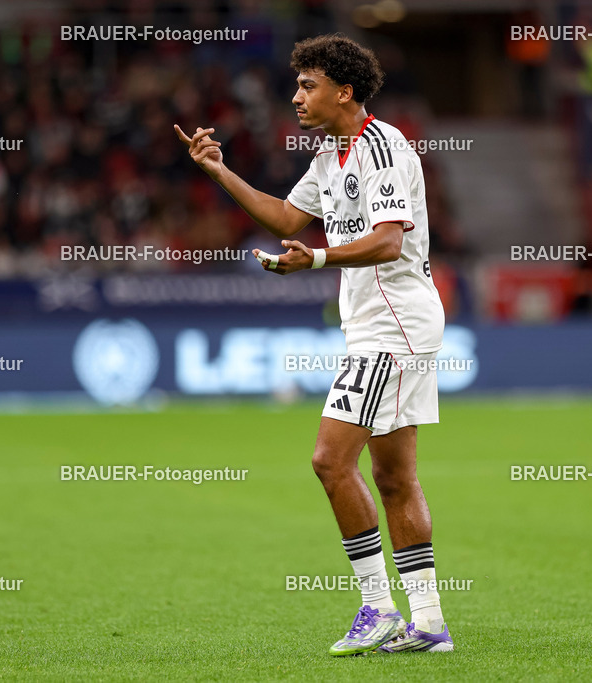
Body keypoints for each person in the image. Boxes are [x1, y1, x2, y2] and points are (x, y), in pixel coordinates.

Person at [175, 33, 451, 656]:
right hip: (378, 322)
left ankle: (378, 607)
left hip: (394, 324)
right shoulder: (331, 153)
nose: (295, 95)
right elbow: (284, 217)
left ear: (344, 91)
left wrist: (319, 258)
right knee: (394, 476)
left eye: (308, 85)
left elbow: (386, 242)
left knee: (330, 461)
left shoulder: (381, 148)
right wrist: (218, 170)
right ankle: (429, 624)